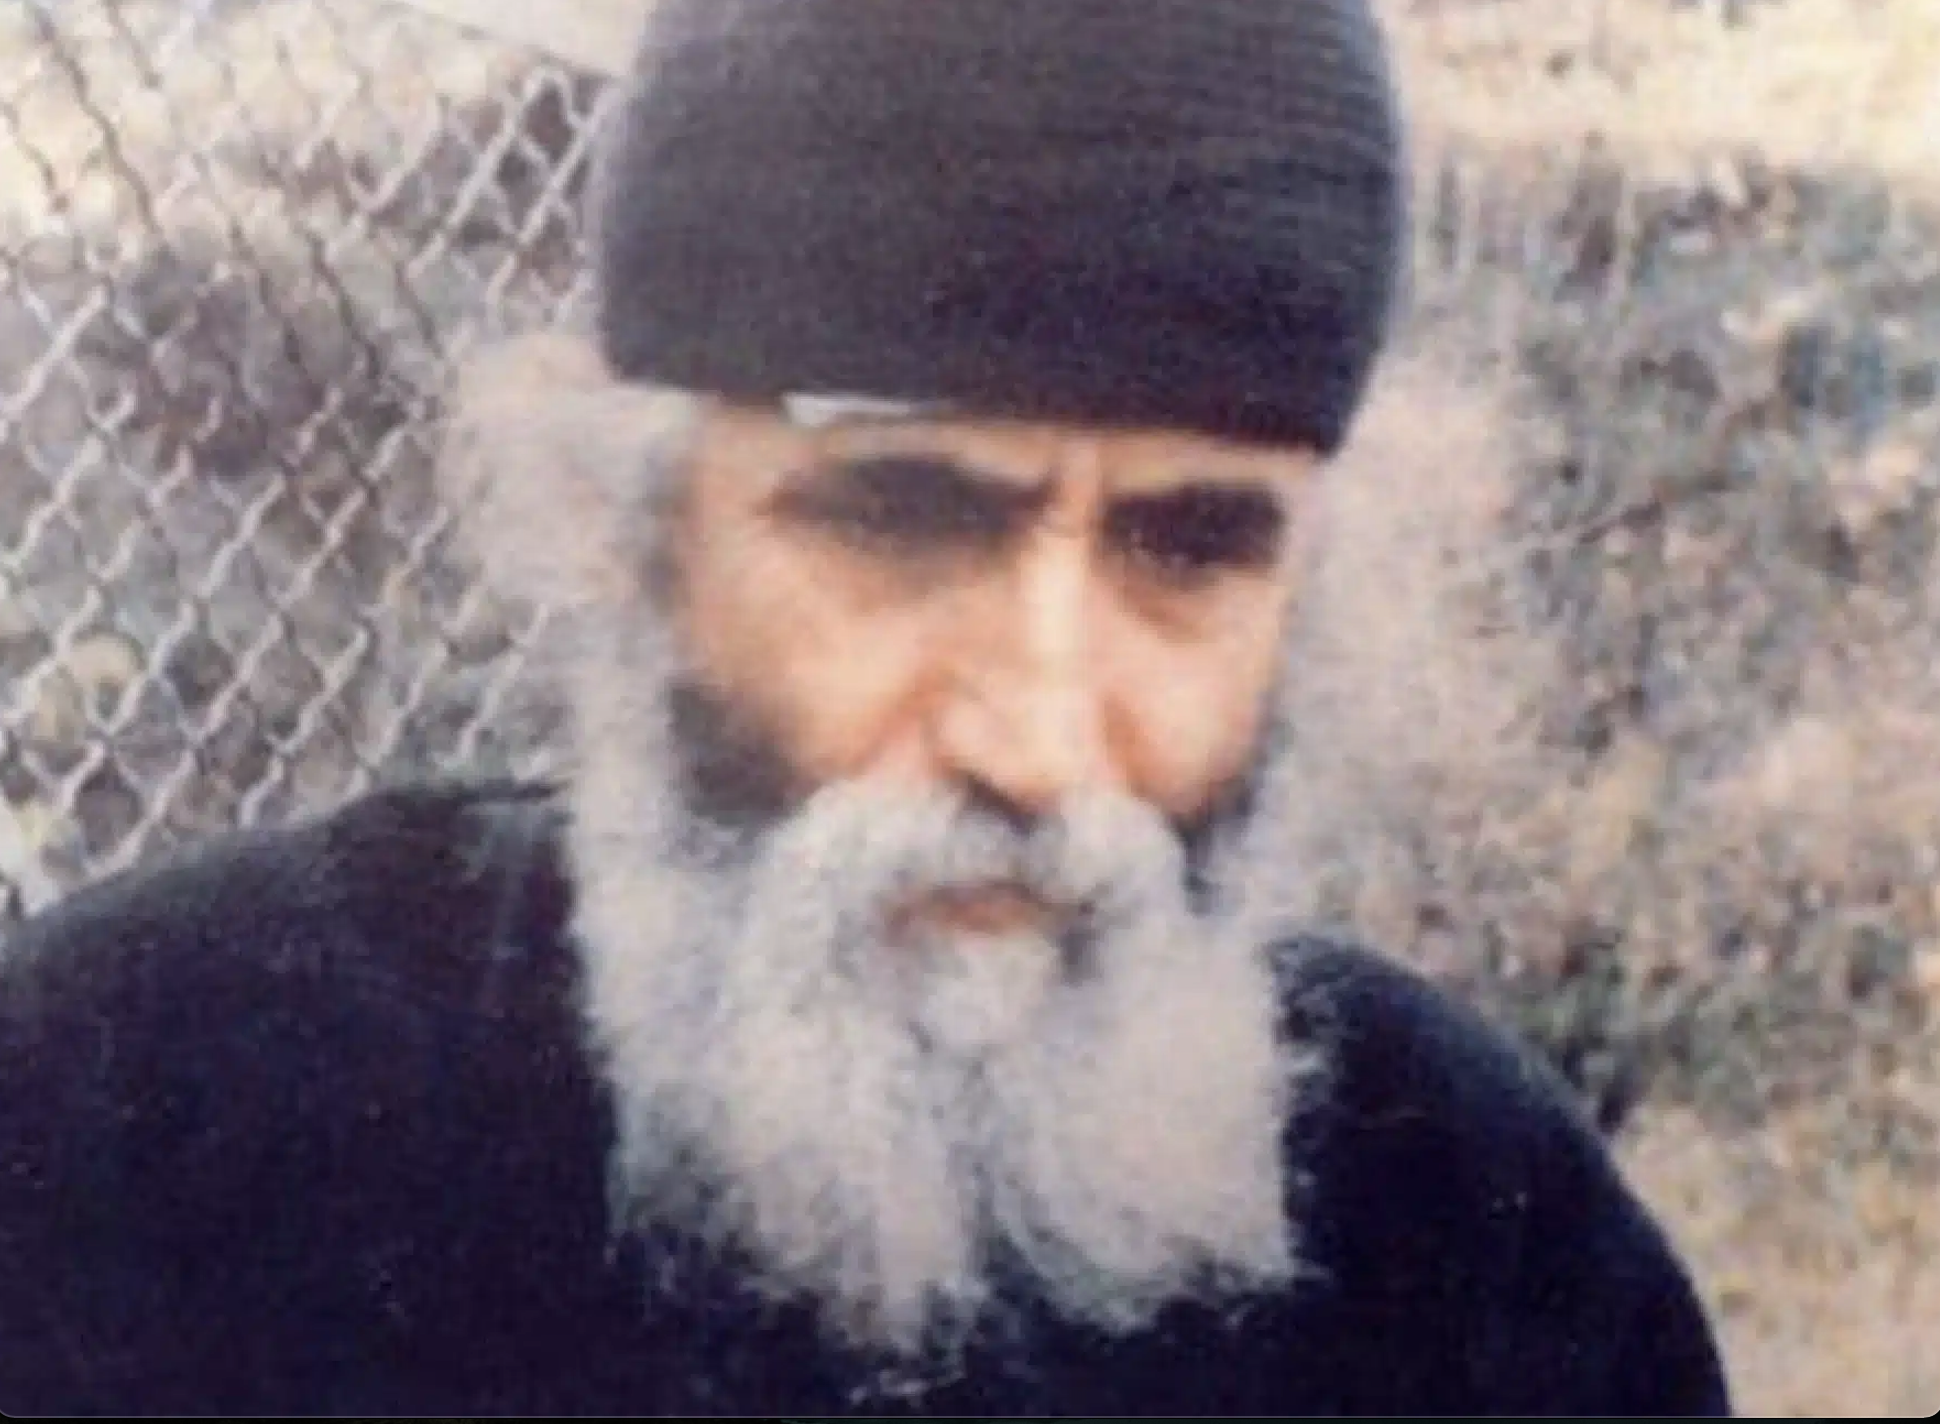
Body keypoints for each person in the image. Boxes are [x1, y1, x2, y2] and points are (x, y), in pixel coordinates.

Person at [0, 0, 1733, 1415]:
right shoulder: (131, 1125)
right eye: (903, 519)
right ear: (634, 534)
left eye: (1189, 549)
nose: (1039, 744)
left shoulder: (1487, 1255)